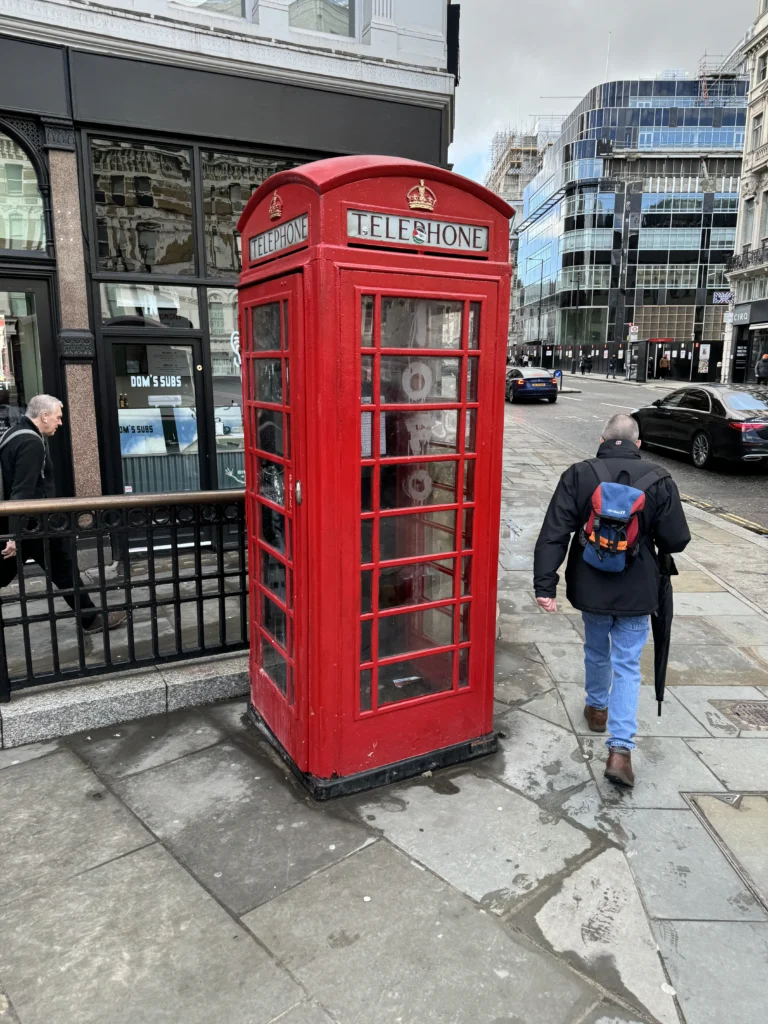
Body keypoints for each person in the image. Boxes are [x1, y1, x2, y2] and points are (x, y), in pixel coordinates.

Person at [533, 414, 690, 787]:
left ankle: (597, 709)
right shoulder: (659, 478)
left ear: (602, 438)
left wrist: (544, 585)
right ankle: (620, 751)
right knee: (628, 663)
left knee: (596, 648)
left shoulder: (579, 473)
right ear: (638, 443)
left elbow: (554, 532)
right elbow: (676, 540)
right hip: (638, 589)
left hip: (590, 584)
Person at [0, 395, 125, 633]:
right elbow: (22, 492)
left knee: (63, 570)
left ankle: (90, 619)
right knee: (63, 570)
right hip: (34, 525)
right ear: (43, 415)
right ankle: (90, 620)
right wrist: (14, 536)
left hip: (30, 525)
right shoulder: (31, 443)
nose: (60, 423)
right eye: (57, 417)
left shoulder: (12, 435)